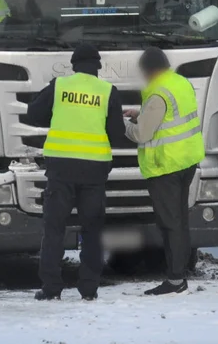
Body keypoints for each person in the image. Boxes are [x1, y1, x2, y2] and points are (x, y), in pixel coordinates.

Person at [25, 44, 127, 301]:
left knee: (54, 229)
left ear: (73, 65)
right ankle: (89, 289)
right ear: (98, 67)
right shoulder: (107, 92)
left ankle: (50, 288)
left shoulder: (59, 87)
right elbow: (116, 134)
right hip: (94, 172)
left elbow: (33, 113)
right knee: (92, 231)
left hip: (60, 170)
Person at [124, 47, 206, 295]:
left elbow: (142, 134)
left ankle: (175, 279)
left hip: (165, 166)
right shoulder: (179, 83)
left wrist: (124, 124)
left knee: (170, 224)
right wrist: (143, 113)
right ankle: (179, 274)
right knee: (179, 220)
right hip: (186, 161)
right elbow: (172, 115)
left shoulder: (157, 93)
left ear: (148, 70)